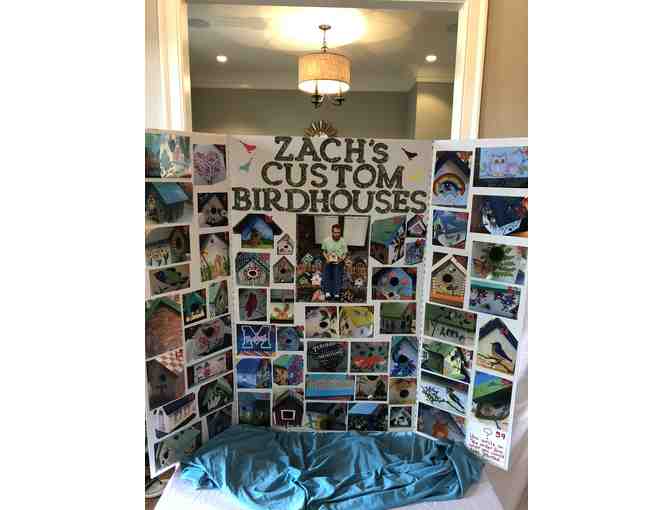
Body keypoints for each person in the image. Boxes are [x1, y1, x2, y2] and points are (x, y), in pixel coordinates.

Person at [321, 224, 348, 300]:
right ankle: (328, 292)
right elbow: (323, 251)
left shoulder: (343, 241)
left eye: (338, 233)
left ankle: (336, 293)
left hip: (339, 260)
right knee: (327, 272)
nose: (337, 234)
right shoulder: (326, 240)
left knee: (337, 273)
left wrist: (341, 260)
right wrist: (327, 259)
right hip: (329, 260)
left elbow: (345, 254)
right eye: (335, 232)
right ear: (332, 232)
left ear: (340, 233)